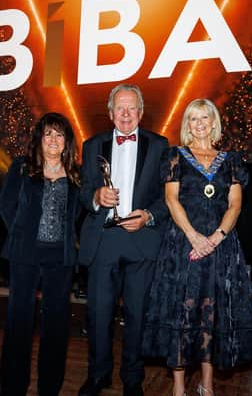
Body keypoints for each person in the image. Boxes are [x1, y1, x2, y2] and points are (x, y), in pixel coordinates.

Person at [142, 99, 252, 396]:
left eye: (204, 117)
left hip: (221, 249)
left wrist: (216, 238)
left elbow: (235, 204)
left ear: (213, 122)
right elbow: (171, 200)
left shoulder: (231, 159)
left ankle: (207, 386)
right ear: (187, 124)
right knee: (182, 313)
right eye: (193, 118)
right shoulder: (175, 156)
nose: (199, 123)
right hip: (183, 246)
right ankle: (179, 388)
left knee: (214, 314)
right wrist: (195, 237)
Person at [78, 84, 169, 396]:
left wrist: (148, 216)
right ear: (110, 113)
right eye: (120, 108)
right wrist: (95, 196)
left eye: (132, 108)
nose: (126, 114)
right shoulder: (92, 145)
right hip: (104, 240)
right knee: (98, 314)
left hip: (142, 240)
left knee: (137, 315)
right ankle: (99, 375)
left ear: (141, 113)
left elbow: (167, 197)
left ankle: (133, 380)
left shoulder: (160, 145)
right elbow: (83, 191)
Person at [0, 112, 81, 396]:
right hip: (25, 257)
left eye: (59, 135)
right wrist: (22, 235)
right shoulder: (21, 167)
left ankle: (49, 389)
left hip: (60, 261)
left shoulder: (76, 174)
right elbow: (6, 205)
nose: (54, 140)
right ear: (39, 139)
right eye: (48, 134)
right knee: (18, 325)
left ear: (67, 141)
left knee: (56, 330)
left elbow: (79, 215)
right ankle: (12, 389)